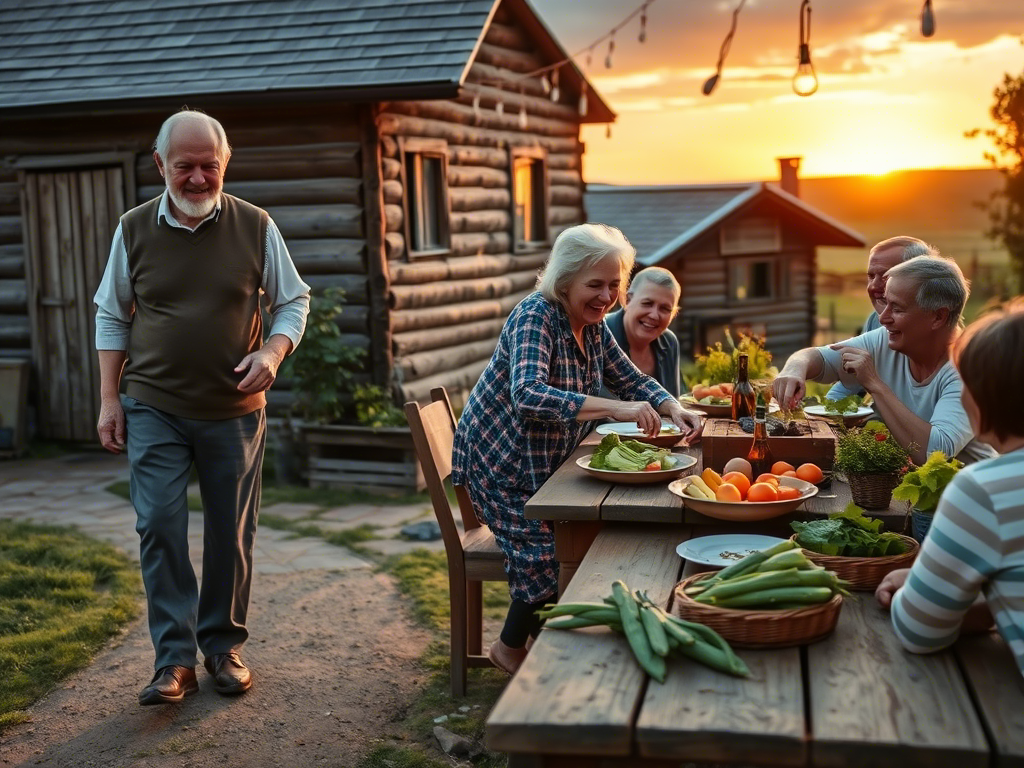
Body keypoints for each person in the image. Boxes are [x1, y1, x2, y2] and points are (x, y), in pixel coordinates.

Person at [93, 110, 310, 705]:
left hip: (234, 408)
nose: (196, 178)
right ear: (160, 164)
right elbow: (112, 313)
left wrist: (272, 349)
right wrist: (110, 399)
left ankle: (222, 647)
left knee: (229, 532)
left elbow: (293, 302)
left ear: (225, 163)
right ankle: (173, 662)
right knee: (158, 524)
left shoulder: (256, 226)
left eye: (207, 166)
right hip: (152, 404)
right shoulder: (133, 228)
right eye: (183, 166)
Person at [450, 224, 703, 676]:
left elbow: (631, 378)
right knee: (550, 553)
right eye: (595, 284)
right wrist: (618, 408)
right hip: (500, 466)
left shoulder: (592, 326)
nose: (607, 296)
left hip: (545, 466)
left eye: (613, 284)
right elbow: (527, 394)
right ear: (565, 280)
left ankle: (543, 638)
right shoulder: (536, 315)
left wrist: (671, 405)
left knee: (585, 534)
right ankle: (512, 648)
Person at [875, 302, 1024, 675]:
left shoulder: (985, 489)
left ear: (987, 394)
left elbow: (918, 632)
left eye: (964, 382)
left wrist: (916, 588)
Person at [772, 256, 994, 465]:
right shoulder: (887, 339)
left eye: (897, 308)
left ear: (938, 316)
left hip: (974, 498)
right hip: (912, 495)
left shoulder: (969, 370)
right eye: (886, 304)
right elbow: (820, 358)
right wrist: (794, 369)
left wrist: (875, 384)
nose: (882, 317)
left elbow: (935, 452)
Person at [826, 236, 936, 401]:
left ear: (919, 278)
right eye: (871, 276)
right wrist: (825, 409)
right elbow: (855, 381)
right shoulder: (874, 321)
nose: (873, 286)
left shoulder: (935, 331)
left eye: (886, 276)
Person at [602, 266, 681, 397]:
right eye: (647, 303)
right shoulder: (599, 333)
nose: (654, 315)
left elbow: (673, 402)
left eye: (665, 309)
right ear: (627, 300)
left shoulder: (669, 342)